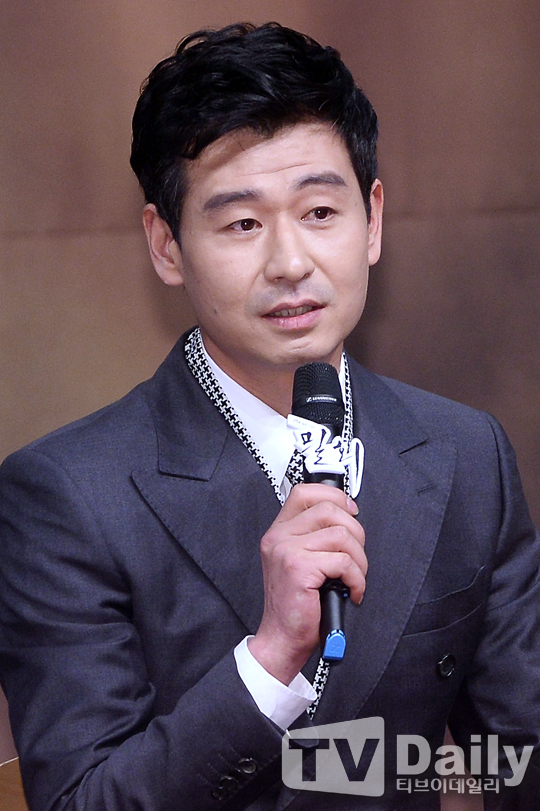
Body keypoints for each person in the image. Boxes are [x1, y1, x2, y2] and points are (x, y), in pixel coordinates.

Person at [0, 21, 539, 811]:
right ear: (166, 245)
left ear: (373, 220)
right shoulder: (64, 495)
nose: (290, 263)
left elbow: (519, 756)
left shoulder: (466, 453)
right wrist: (270, 657)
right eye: (243, 224)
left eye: (320, 211)